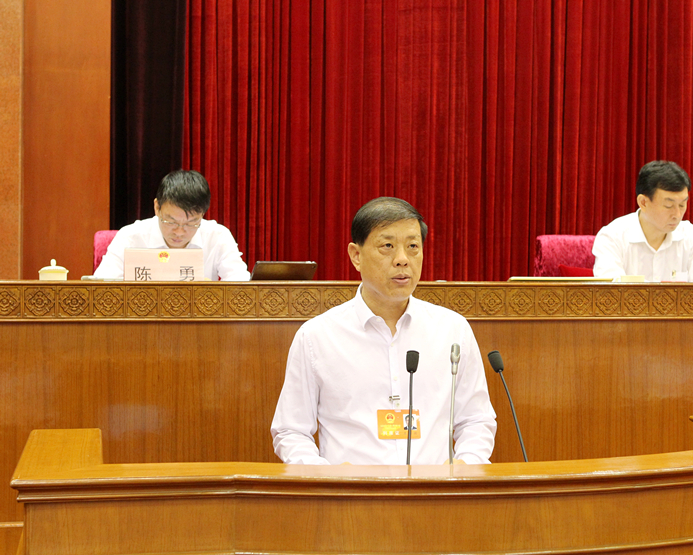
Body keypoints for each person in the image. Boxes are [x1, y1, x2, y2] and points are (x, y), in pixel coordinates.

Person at [271, 197, 496, 465]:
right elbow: (291, 431)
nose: (402, 260)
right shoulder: (317, 336)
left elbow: (476, 420)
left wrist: (464, 466)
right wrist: (326, 475)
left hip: (433, 489)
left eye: (413, 246)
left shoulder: (452, 330)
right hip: (352, 490)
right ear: (356, 255)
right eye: (387, 246)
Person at [93, 170, 250, 281]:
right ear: (157, 207)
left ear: (203, 214)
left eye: (191, 223)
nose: (179, 232)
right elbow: (102, 287)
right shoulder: (130, 237)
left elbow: (241, 285)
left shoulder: (217, 236)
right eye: (171, 222)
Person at [592, 160, 693, 282]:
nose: (677, 215)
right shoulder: (612, 238)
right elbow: (610, 290)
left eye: (682, 205)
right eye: (668, 206)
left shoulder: (692, 238)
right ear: (643, 202)